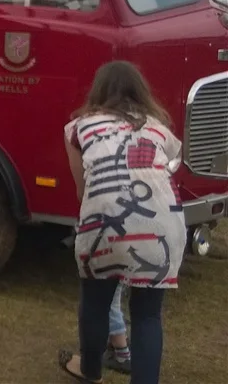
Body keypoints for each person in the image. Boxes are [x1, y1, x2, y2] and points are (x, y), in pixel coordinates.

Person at [57, 60, 184, 384]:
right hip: (162, 225)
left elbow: (82, 188)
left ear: (97, 90)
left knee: (95, 303)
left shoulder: (79, 127)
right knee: (147, 315)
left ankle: (90, 370)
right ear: (141, 91)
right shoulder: (158, 128)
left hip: (104, 221)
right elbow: (168, 168)